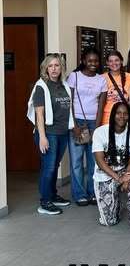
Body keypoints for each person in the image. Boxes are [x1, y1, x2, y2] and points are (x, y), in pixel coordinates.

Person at [27, 53, 74, 215]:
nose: (54, 69)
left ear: (61, 68)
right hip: (49, 133)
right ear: (45, 68)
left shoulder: (63, 85)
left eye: (57, 65)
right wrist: (42, 137)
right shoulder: (41, 86)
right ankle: (45, 202)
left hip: (62, 132)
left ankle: (53, 196)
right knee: (48, 168)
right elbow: (39, 114)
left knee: (54, 166)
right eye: (51, 66)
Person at [92, 102, 130, 232]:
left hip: (124, 172)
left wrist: (127, 177)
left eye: (125, 114)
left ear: (129, 116)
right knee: (109, 222)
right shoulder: (100, 132)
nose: (122, 116)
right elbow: (100, 161)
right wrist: (118, 178)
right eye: (118, 113)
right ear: (112, 115)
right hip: (104, 175)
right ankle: (115, 204)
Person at [67, 47, 107, 206]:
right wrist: (74, 125)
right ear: (83, 61)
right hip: (77, 121)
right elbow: (68, 102)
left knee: (94, 161)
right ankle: (79, 194)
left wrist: (96, 128)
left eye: (96, 61)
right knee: (76, 161)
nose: (93, 63)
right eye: (90, 60)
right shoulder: (74, 77)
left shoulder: (101, 80)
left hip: (93, 123)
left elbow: (101, 105)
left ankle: (92, 192)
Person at [101, 50, 130, 125]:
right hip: (107, 117)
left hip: (124, 117)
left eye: (116, 60)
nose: (114, 63)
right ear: (107, 63)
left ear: (121, 61)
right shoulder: (102, 78)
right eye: (111, 61)